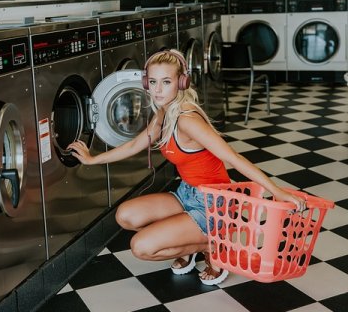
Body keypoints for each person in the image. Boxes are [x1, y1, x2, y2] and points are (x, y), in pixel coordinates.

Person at [68, 49, 306, 285]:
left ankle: (213, 246)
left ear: (181, 83)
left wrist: (278, 192)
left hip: (214, 204)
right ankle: (188, 244)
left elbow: (233, 158)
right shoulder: (163, 112)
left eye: (166, 81)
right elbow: (135, 145)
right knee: (125, 216)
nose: (157, 89)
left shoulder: (187, 120)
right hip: (187, 193)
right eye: (152, 81)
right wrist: (92, 159)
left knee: (141, 247)